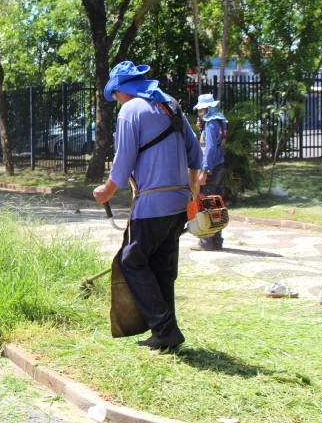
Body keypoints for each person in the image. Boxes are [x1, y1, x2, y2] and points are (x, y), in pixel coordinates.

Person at [93, 61, 202, 350]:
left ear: (121, 91)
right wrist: (193, 193)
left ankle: (164, 327)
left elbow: (123, 160)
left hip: (152, 204)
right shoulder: (171, 104)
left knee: (131, 260)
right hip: (178, 203)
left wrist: (106, 191)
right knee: (159, 265)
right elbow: (195, 154)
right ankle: (166, 332)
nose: (116, 102)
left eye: (114, 96)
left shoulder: (131, 110)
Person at [192, 94, 227, 251]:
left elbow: (211, 148)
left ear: (208, 108)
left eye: (202, 109)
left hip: (212, 168)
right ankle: (217, 240)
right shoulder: (219, 121)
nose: (200, 112)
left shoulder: (212, 123)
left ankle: (206, 241)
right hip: (219, 166)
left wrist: (205, 171)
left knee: (205, 202)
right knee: (216, 203)